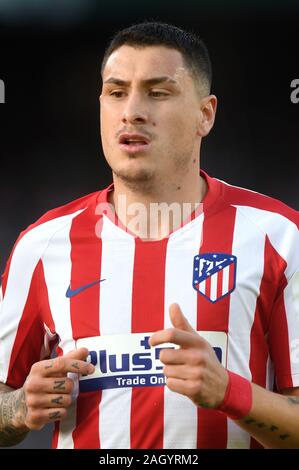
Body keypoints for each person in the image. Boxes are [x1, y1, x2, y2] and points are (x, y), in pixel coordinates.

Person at [0, 21, 299, 450]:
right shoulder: (41, 246)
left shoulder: (280, 237)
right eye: (117, 92)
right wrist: (20, 408)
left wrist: (230, 392)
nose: (132, 111)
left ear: (205, 115)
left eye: (158, 92)